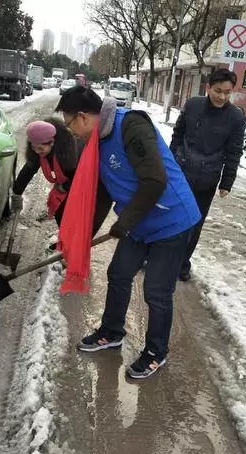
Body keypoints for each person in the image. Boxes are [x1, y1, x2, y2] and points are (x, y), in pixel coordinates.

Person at [55, 86, 201, 379]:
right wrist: (81, 239)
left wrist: (124, 223)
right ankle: (111, 332)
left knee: (156, 292)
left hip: (171, 220)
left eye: (70, 124)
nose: (72, 132)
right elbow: (101, 191)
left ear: (83, 117)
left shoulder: (131, 125)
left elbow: (155, 181)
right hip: (140, 223)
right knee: (119, 273)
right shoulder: (95, 141)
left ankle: (156, 353)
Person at [169, 68, 245, 282]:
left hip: (207, 179)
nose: (222, 96)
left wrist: (227, 181)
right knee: (171, 217)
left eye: (227, 93)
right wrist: (171, 159)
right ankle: (157, 257)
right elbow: (178, 133)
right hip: (181, 173)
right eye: (218, 91)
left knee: (194, 224)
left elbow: (234, 152)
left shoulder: (235, 117)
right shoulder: (193, 105)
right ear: (208, 87)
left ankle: (182, 264)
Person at [11, 118, 111, 250]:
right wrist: (17, 192)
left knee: (79, 219)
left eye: (40, 148)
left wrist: (65, 186)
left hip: (93, 184)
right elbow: (28, 170)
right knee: (59, 211)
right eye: (34, 148)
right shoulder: (38, 148)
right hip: (67, 180)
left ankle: (74, 250)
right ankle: (65, 242)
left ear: (52, 143)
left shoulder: (72, 149)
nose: (37, 151)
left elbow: (82, 176)